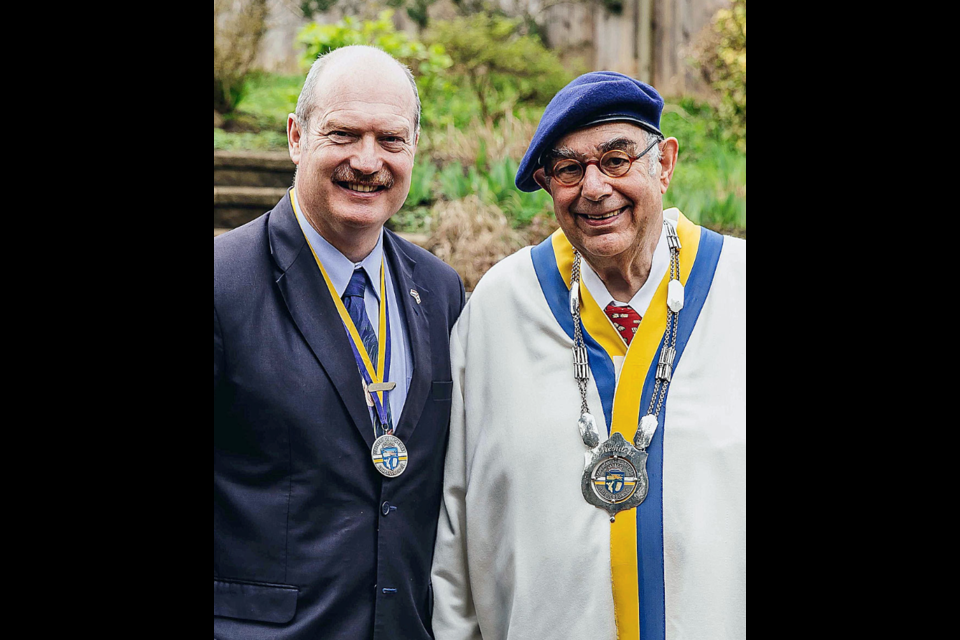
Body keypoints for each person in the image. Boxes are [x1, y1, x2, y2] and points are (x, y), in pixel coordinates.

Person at [431, 72, 746, 640]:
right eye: (569, 169)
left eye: (617, 159)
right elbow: (452, 523)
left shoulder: (739, 289)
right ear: (548, 184)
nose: (594, 188)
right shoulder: (500, 308)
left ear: (665, 163)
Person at [214, 46, 465, 640]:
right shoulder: (223, 284)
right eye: (344, 133)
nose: (367, 160)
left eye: (392, 139)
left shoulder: (441, 289)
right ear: (297, 137)